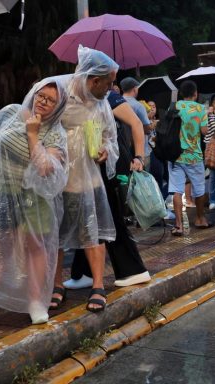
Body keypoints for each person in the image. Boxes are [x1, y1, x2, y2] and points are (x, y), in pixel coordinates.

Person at [52, 46, 119, 313]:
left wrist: (106, 151)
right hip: (56, 180)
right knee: (53, 235)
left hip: (88, 180)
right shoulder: (58, 91)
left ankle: (98, 286)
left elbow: (110, 138)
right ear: (95, 80)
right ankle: (55, 285)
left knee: (92, 231)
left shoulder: (101, 104)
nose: (111, 88)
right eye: (109, 83)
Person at [0, 77, 68, 324]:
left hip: (35, 198)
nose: (44, 102)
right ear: (34, 92)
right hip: (3, 190)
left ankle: (36, 301)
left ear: (59, 106)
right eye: (41, 96)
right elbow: (2, 142)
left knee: (35, 248)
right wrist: (36, 143)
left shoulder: (56, 133)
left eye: (51, 100)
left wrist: (32, 134)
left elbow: (46, 169)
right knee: (1, 247)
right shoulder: (12, 113)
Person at [64, 88, 152, 289]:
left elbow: (136, 123)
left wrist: (138, 157)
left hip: (110, 165)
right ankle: (83, 272)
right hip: (91, 166)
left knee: (109, 216)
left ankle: (134, 270)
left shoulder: (109, 97)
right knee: (89, 216)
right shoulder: (85, 98)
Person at [169, 80, 211, 236]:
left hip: (175, 155)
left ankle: (178, 225)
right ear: (195, 93)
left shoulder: (174, 106)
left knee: (176, 190)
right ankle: (200, 219)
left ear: (181, 93)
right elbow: (205, 131)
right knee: (199, 189)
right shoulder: (200, 109)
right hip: (194, 155)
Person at [120, 77, 156, 169]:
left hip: (123, 149)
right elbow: (147, 129)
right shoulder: (138, 105)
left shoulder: (117, 102)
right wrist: (153, 123)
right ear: (134, 89)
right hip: (139, 151)